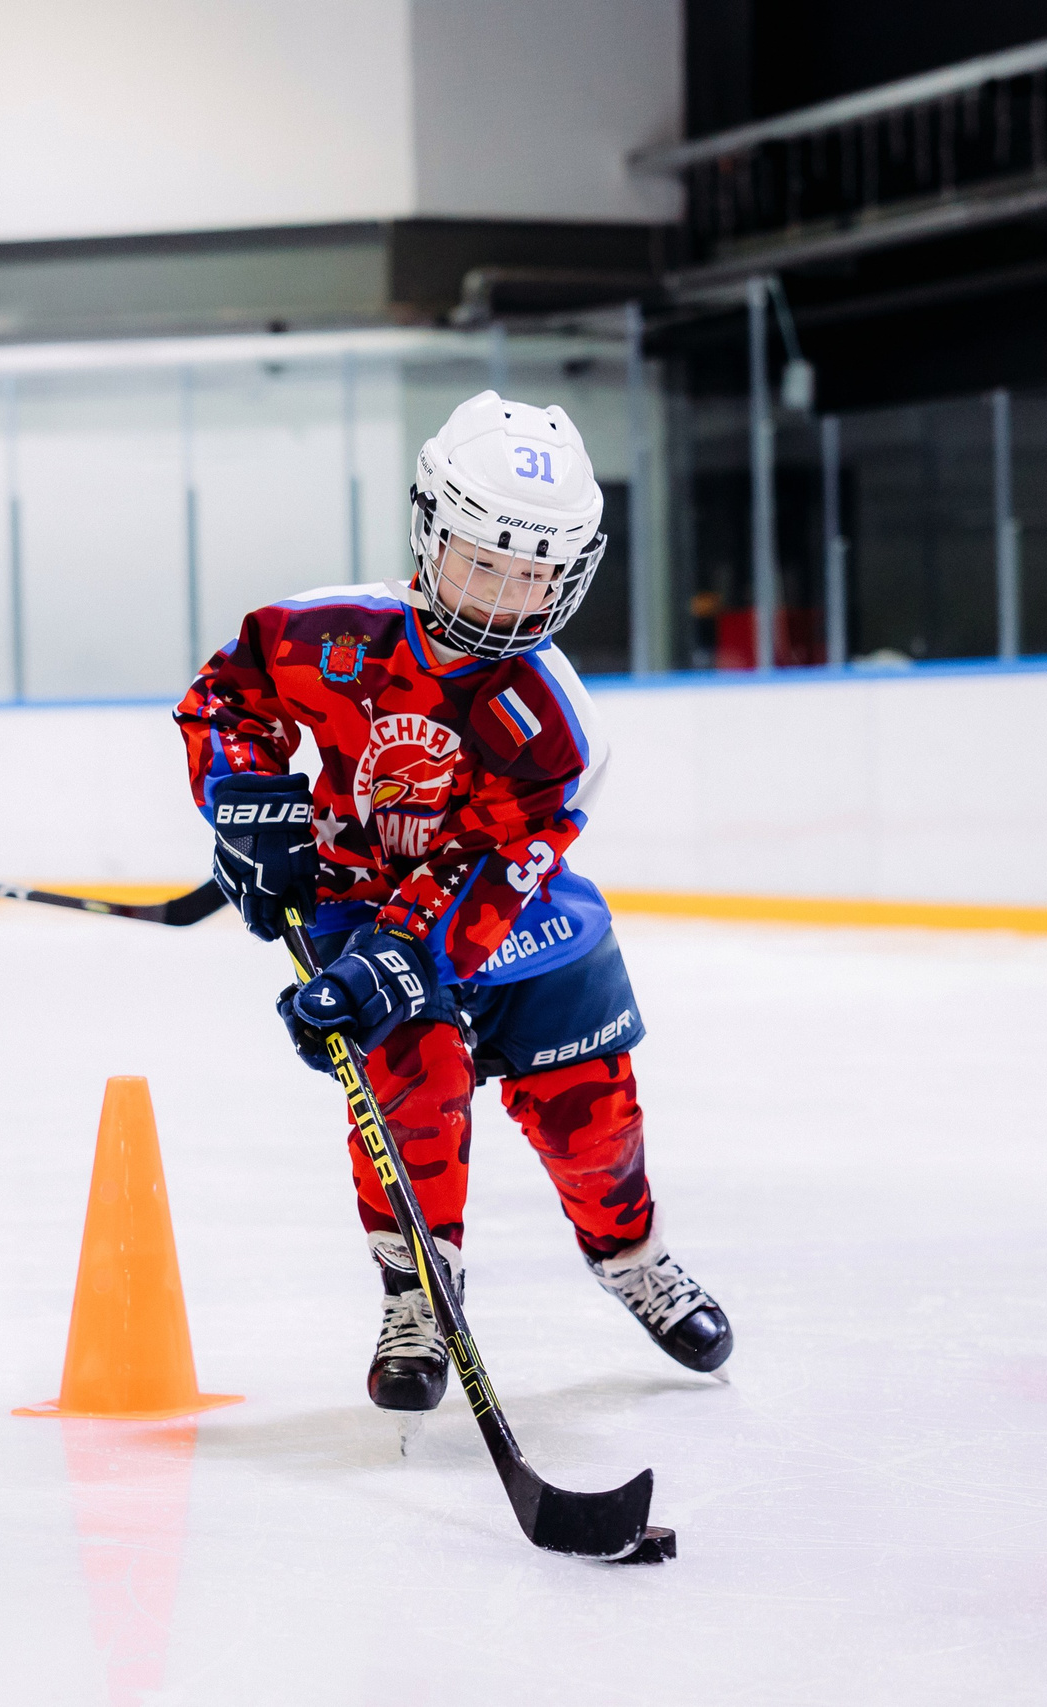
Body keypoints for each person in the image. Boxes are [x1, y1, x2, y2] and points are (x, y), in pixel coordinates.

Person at [175, 389, 733, 1415]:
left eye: (532, 576)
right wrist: (249, 805)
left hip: (514, 918)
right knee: (411, 1100)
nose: (502, 599)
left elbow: (494, 862)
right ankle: (420, 1296)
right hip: (360, 903)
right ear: (429, 530)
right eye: (483, 562)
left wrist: (397, 957)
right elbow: (227, 701)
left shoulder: (557, 724)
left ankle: (632, 1258)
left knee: (593, 1120)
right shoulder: (328, 630)